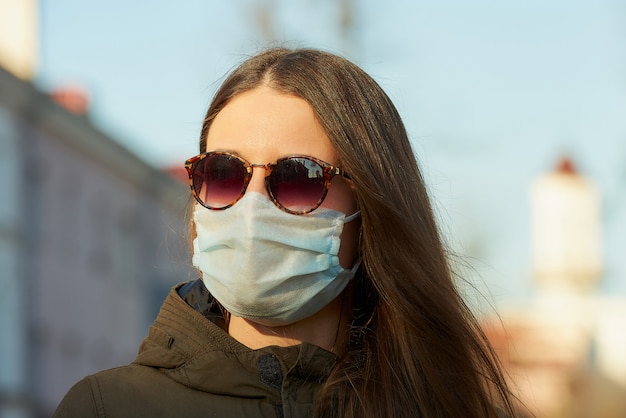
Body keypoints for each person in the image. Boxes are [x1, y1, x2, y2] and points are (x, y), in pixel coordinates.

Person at [54, 47, 520, 417]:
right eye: (224, 174)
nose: (252, 205)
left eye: (298, 177)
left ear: (372, 208)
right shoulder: (108, 408)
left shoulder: (449, 407)